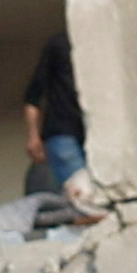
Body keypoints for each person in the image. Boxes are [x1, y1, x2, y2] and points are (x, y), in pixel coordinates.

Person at [22, 28, 88, 199]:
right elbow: (33, 96)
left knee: (91, 198)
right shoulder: (59, 44)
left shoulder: (101, 47)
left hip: (91, 135)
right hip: (62, 132)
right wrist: (33, 136)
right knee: (82, 197)